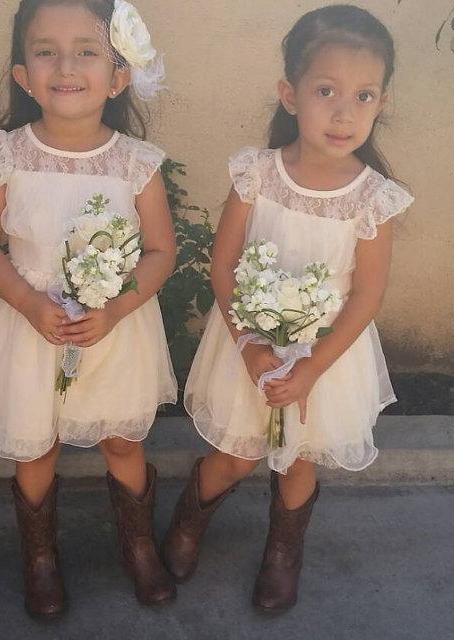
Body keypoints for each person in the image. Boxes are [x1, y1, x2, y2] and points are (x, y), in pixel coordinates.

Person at [162, 4, 414, 613]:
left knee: (300, 457)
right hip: (250, 342)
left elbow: (366, 295)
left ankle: (283, 552)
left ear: (381, 105)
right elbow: (223, 266)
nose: (344, 111)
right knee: (237, 454)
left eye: (363, 95)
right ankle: (190, 518)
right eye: (326, 90)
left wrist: (312, 367)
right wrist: (252, 347)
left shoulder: (372, 200)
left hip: (325, 356)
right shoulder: (257, 175)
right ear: (290, 94)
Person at [0, 0, 177, 617]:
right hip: (29, 326)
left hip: (113, 330)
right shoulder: (6, 156)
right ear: (23, 76)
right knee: (35, 446)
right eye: (46, 50)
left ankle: (137, 544)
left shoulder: (136, 163)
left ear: (117, 77)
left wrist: (115, 309)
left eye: (87, 50)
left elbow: (161, 252)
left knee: (120, 441)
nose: (66, 65)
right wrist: (30, 302)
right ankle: (40, 557)